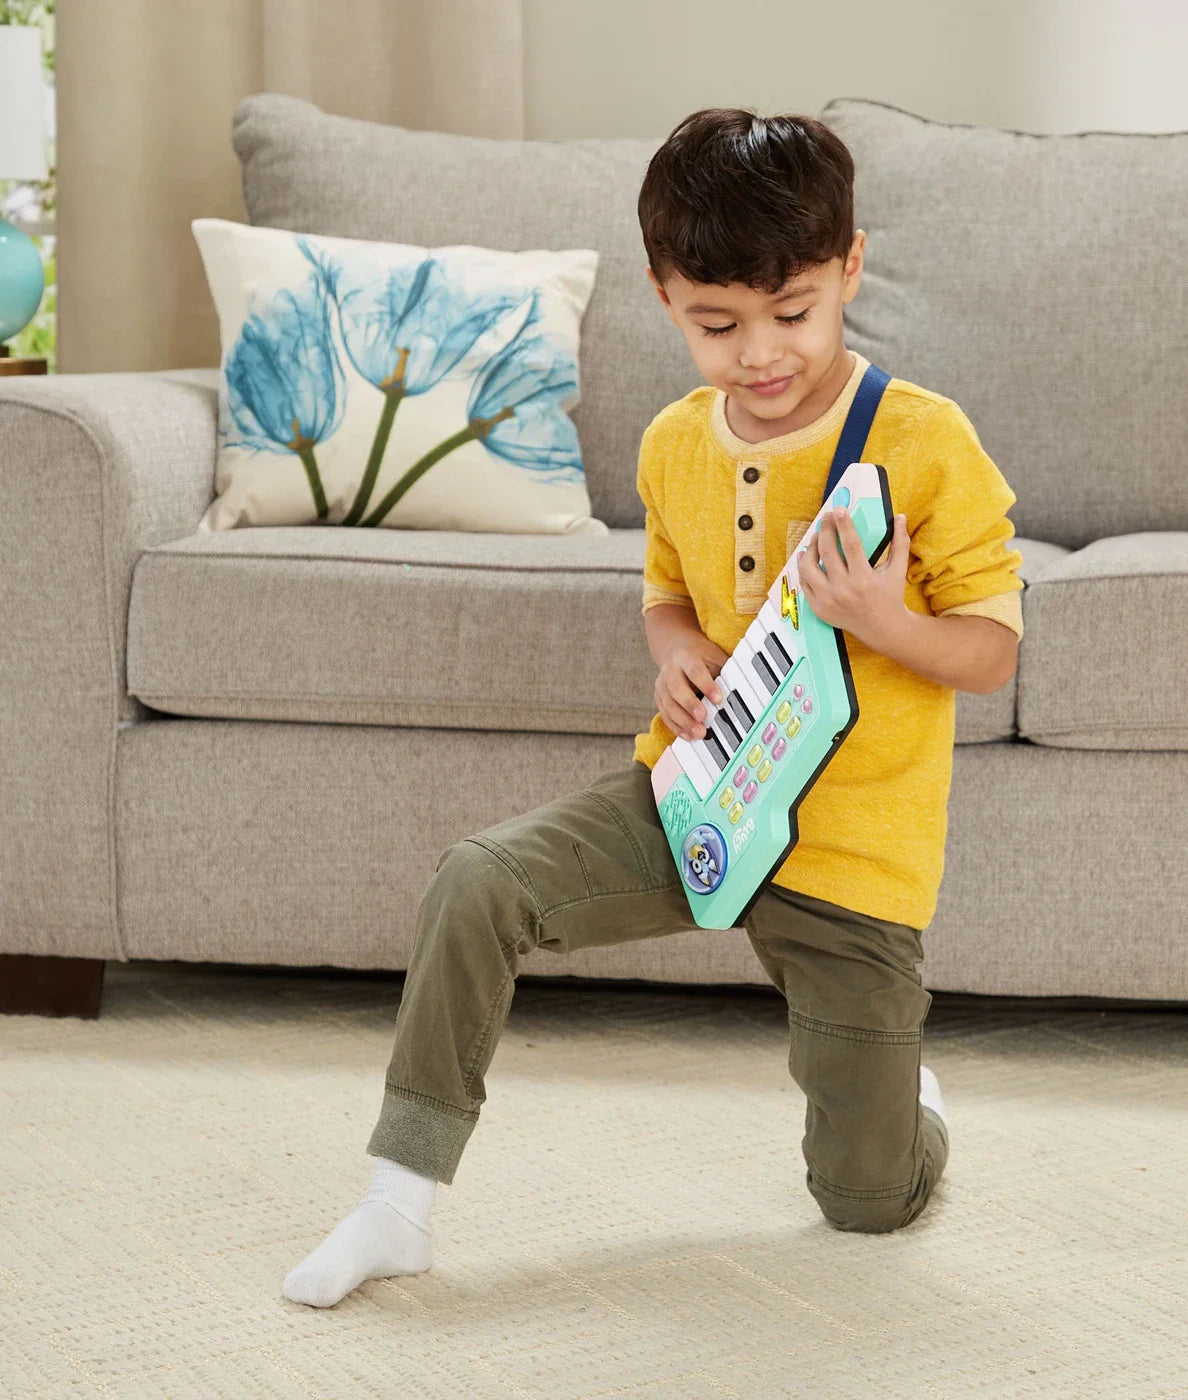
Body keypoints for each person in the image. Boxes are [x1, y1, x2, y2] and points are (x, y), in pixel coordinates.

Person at [282, 106, 1024, 1309]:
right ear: (662, 294)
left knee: (864, 1198)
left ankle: (909, 1109)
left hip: (851, 857)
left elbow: (990, 651)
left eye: (792, 313)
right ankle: (395, 1202)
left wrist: (886, 620)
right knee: (478, 879)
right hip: (694, 798)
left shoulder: (924, 440)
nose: (759, 354)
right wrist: (673, 652)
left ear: (850, 268)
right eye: (715, 325)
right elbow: (666, 593)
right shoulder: (672, 442)